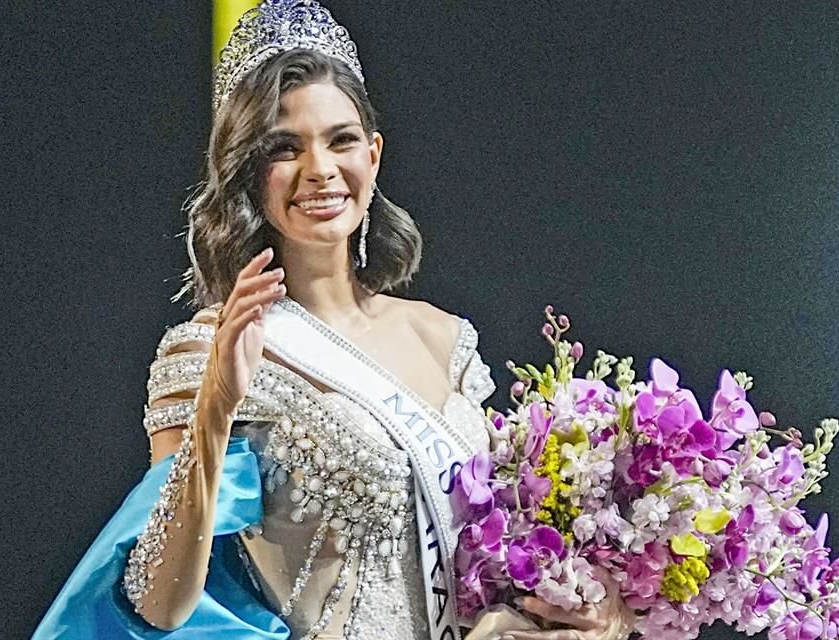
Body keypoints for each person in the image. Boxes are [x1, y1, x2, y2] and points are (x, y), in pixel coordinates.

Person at [32, 2, 633, 638]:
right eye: (284, 148)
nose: (319, 169)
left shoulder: (442, 337)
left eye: (340, 140)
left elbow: (498, 553)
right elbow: (159, 604)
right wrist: (215, 408)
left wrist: (601, 609)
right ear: (248, 173)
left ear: (373, 155)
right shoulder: (208, 350)